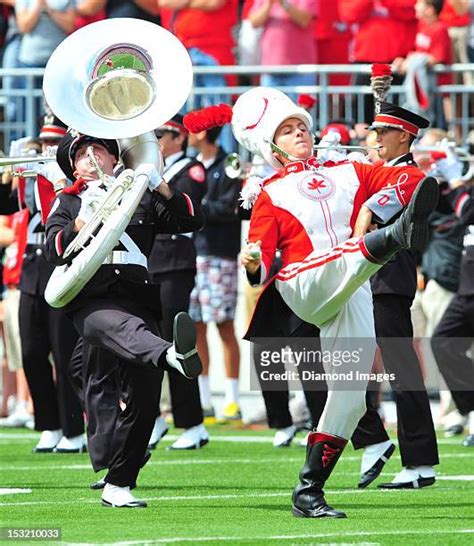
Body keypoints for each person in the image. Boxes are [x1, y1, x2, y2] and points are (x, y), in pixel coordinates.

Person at [233, 87, 438, 518]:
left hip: (352, 283)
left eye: (301, 126)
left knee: (349, 399)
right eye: (287, 131)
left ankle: (309, 491)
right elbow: (259, 260)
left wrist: (376, 206)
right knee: (355, 252)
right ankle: (385, 242)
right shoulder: (269, 193)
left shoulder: (349, 168)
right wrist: (251, 261)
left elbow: (413, 180)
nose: (299, 134)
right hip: (304, 284)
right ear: (272, 147)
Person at [44, 130, 204, 508]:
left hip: (138, 296)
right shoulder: (67, 202)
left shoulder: (139, 194)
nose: (91, 156)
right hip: (92, 299)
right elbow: (52, 249)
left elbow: (189, 221)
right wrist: (83, 220)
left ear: (115, 157)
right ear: (73, 168)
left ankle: (119, 483)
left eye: (97, 148)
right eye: (81, 154)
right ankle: (171, 354)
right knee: (116, 336)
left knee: (145, 398)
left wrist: (158, 182)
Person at [349, 101, 439, 489]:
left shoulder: (410, 176)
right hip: (370, 278)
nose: (375, 138)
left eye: (382, 132)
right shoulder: (383, 172)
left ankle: (418, 463)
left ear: (404, 135)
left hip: (387, 279)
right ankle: (376, 440)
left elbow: (369, 212)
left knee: (401, 370)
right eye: (374, 132)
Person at [147, 115, 209, 450]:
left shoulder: (190, 170)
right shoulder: (155, 169)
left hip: (175, 262)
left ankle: (193, 422)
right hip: (152, 261)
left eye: (160, 134)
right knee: (150, 343)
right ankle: (153, 416)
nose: (155, 140)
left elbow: (189, 211)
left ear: (178, 137)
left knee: (176, 342)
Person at [187, 123, 242, 423]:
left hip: (220, 253)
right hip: (194, 253)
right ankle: (205, 399)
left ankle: (232, 401)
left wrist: (197, 207)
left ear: (202, 132)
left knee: (223, 326)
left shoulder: (229, 163)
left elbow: (230, 206)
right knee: (195, 327)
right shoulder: (192, 165)